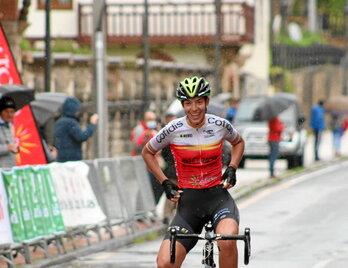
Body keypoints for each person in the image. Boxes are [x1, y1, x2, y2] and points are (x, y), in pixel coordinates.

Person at [142, 76, 245, 268]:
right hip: (189, 204)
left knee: (227, 240)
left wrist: (232, 168)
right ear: (183, 105)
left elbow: (238, 142)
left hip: (218, 199)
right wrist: (165, 182)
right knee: (165, 262)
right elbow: (147, 152)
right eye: (188, 103)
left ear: (206, 102)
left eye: (199, 102)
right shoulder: (173, 129)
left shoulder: (220, 125)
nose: (194, 108)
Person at [54, 97, 98, 162]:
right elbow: (82, 136)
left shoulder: (59, 122)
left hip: (61, 158)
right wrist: (92, 124)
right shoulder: (70, 123)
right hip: (72, 159)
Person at [160, 113, 178, 224]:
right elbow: (164, 153)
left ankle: (174, 215)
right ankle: (167, 216)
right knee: (172, 194)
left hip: (182, 171)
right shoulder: (166, 135)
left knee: (180, 194)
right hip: (173, 171)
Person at [0, 96, 19, 168]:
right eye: (6, 111)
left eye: (12, 112)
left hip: (10, 170)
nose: (9, 115)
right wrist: (7, 148)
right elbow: (9, 147)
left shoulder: (10, 126)